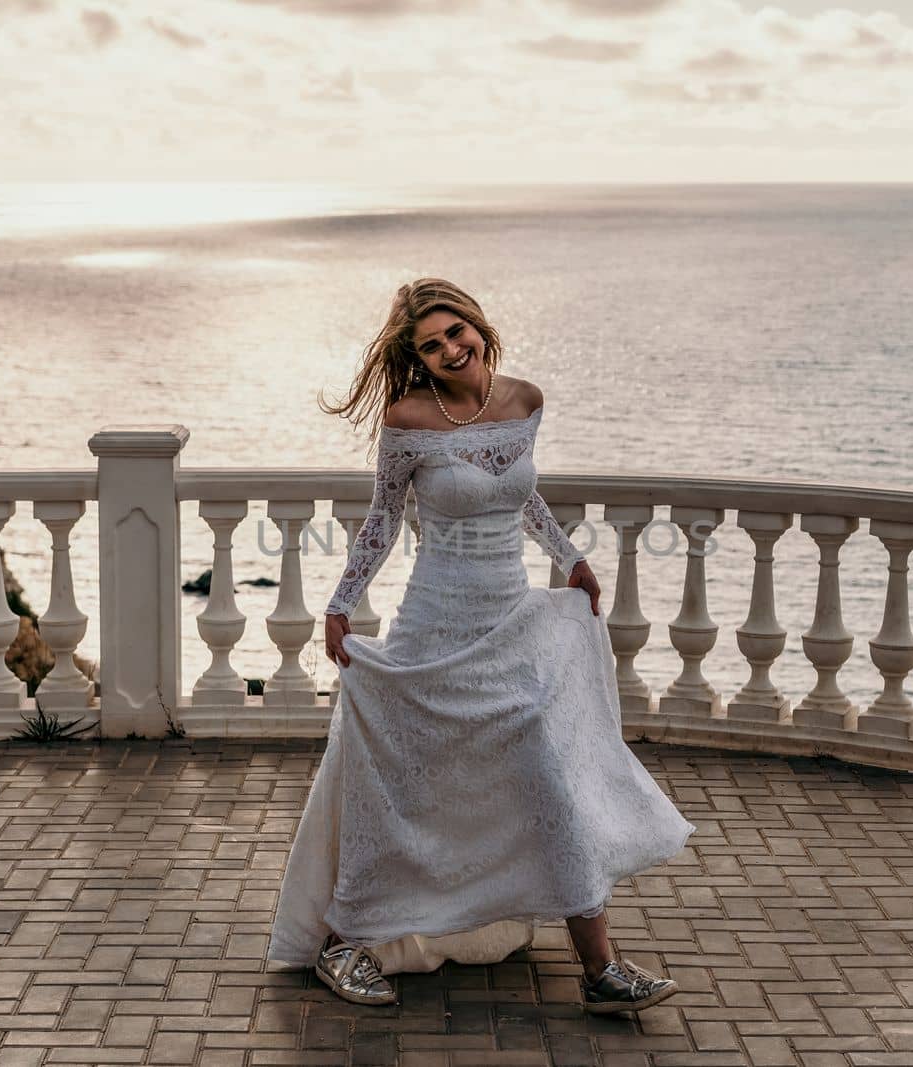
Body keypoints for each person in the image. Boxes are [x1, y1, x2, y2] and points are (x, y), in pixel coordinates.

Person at [265, 278, 695, 1014]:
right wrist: (339, 603)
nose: (449, 348)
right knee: (403, 781)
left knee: (543, 767)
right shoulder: (407, 419)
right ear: (419, 359)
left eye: (455, 331)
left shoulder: (524, 400)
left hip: (510, 620)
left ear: (477, 323)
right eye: (431, 345)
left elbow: (519, 493)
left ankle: (600, 967)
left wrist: (571, 556)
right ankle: (345, 941)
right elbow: (383, 521)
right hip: (435, 620)